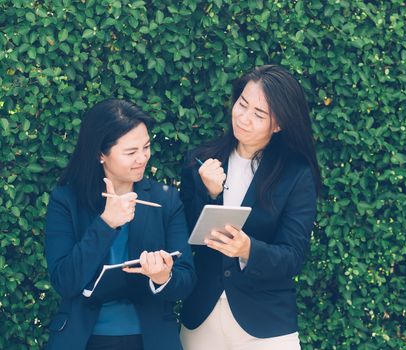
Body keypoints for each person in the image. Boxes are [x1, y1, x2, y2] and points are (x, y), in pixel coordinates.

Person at [179, 65, 321, 349]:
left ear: (278, 124)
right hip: (202, 315)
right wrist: (209, 193)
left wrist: (248, 250)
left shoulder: (296, 174)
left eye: (258, 114)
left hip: (266, 323)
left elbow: (292, 256)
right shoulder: (200, 160)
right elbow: (182, 236)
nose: (243, 118)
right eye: (242, 104)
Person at [44, 99, 195, 350]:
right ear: (100, 153)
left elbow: (186, 279)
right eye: (130, 152)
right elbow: (65, 281)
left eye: (146, 147)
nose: (142, 158)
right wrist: (106, 224)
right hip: (84, 339)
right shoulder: (66, 200)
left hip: (151, 339)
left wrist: (163, 276)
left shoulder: (165, 199)